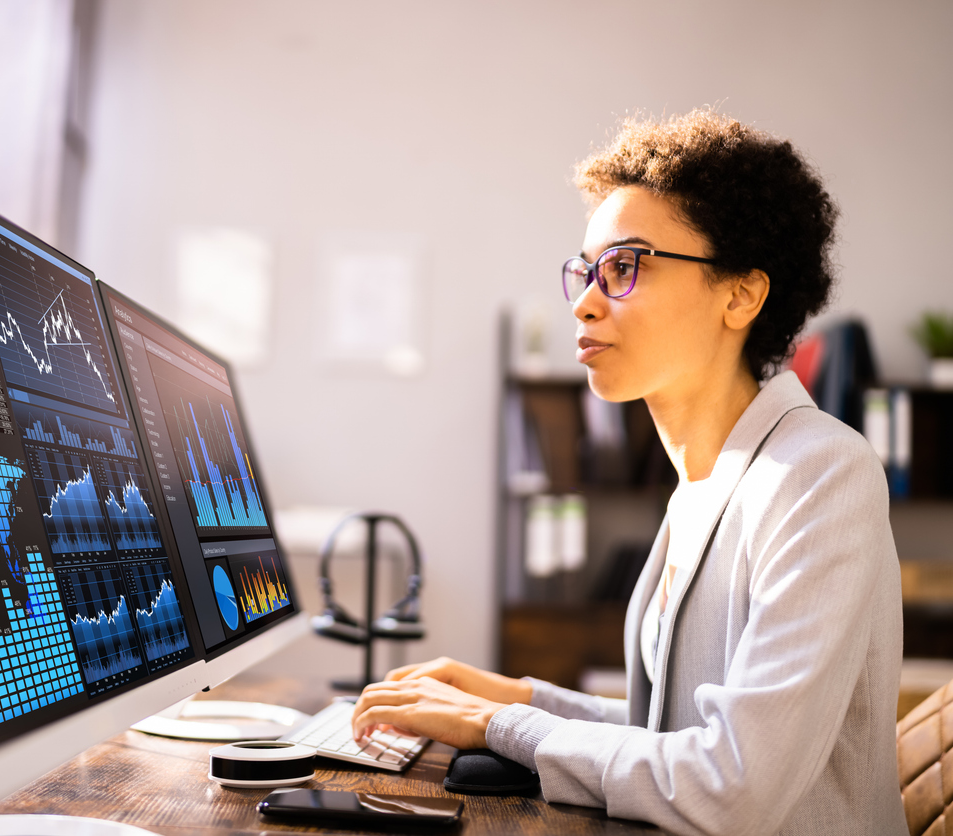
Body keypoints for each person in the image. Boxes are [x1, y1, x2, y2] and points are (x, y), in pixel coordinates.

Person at [350, 110, 906, 836]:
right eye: (586, 270)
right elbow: (673, 729)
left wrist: (500, 726)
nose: (585, 299)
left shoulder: (820, 473)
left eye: (625, 267)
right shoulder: (706, 485)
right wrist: (520, 699)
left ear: (741, 293)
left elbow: (733, 783)